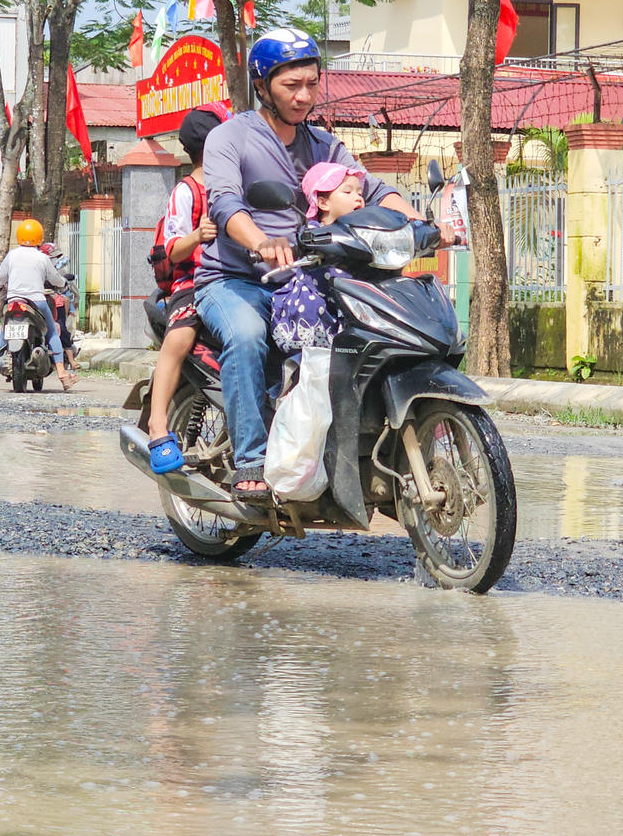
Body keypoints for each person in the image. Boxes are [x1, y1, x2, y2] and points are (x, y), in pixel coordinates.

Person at [195, 27, 464, 501]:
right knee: (247, 335)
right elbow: (224, 203)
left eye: (311, 84)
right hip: (237, 278)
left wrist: (423, 223)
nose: (303, 96)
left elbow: (375, 190)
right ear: (262, 86)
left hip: (309, 276)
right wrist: (260, 241)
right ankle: (251, 460)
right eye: (290, 85)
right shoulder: (229, 137)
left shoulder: (324, 144)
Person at [144, 105, 227, 474]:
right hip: (193, 280)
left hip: (236, 278)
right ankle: (158, 426)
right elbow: (173, 250)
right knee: (179, 337)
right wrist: (197, 236)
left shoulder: (236, 185)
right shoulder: (186, 191)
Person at [269, 162, 365, 353]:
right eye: (348, 192)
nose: (358, 198)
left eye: (360, 193)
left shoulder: (362, 232)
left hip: (354, 300)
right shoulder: (314, 233)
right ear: (323, 203)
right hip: (321, 307)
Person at [0, 218, 78, 391]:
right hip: (37, 302)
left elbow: (0, 278)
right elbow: (55, 279)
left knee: (4, 332)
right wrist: (64, 284)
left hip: (13, 301)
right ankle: (63, 375)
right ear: (39, 237)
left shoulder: (12, 255)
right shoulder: (42, 258)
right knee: (52, 331)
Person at [40, 241, 80, 371]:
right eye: (53, 257)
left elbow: (62, 283)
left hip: (53, 301)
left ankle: (71, 360)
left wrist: (62, 284)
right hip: (37, 300)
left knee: (61, 328)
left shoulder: (58, 270)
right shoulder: (37, 266)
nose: (55, 260)